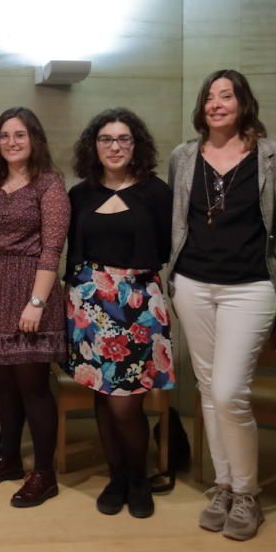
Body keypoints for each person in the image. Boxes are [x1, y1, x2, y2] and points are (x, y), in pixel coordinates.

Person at [167, 69, 276, 540]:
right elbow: (181, 222)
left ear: (244, 102)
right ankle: (223, 484)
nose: (217, 104)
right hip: (193, 283)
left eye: (227, 95)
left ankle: (248, 493)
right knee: (207, 390)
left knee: (228, 393)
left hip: (251, 285)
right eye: (210, 97)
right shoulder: (183, 156)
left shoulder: (272, 154)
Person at [65, 108, 175, 518]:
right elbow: (71, 254)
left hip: (139, 306)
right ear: (94, 146)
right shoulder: (80, 195)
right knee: (102, 396)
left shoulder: (156, 193)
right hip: (89, 305)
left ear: (136, 145)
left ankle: (138, 479)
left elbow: (166, 249)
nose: (115, 146)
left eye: (123, 139)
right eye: (106, 139)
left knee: (126, 403)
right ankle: (116, 478)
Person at [0, 107, 70, 508]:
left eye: (20, 135)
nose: (11, 142)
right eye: (5, 136)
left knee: (33, 388)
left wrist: (37, 303)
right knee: (4, 387)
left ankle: (43, 473)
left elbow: (51, 249)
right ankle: (9, 458)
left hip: (32, 291)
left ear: (34, 140)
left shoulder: (49, 185)